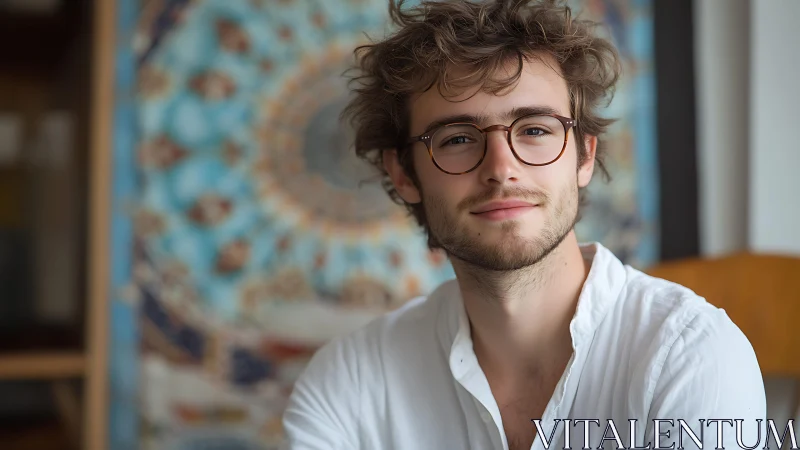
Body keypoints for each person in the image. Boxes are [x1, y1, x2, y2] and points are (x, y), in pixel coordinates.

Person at [282, 1, 766, 449]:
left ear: (584, 155)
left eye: (534, 129)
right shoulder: (348, 380)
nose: (501, 167)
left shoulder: (691, 356)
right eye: (456, 139)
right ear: (403, 173)